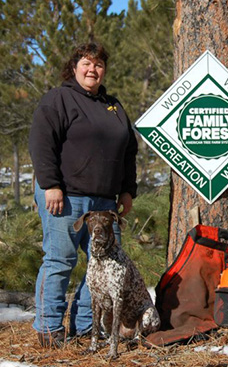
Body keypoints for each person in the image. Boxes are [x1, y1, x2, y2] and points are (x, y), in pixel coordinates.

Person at [29, 42, 138, 347]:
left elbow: (129, 151)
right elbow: (41, 142)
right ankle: (49, 330)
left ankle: (86, 327)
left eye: (99, 64)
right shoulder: (59, 99)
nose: (93, 70)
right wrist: (51, 184)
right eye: (87, 64)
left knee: (105, 265)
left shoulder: (113, 106)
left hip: (104, 202)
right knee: (59, 261)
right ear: (74, 67)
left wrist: (128, 190)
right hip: (64, 196)